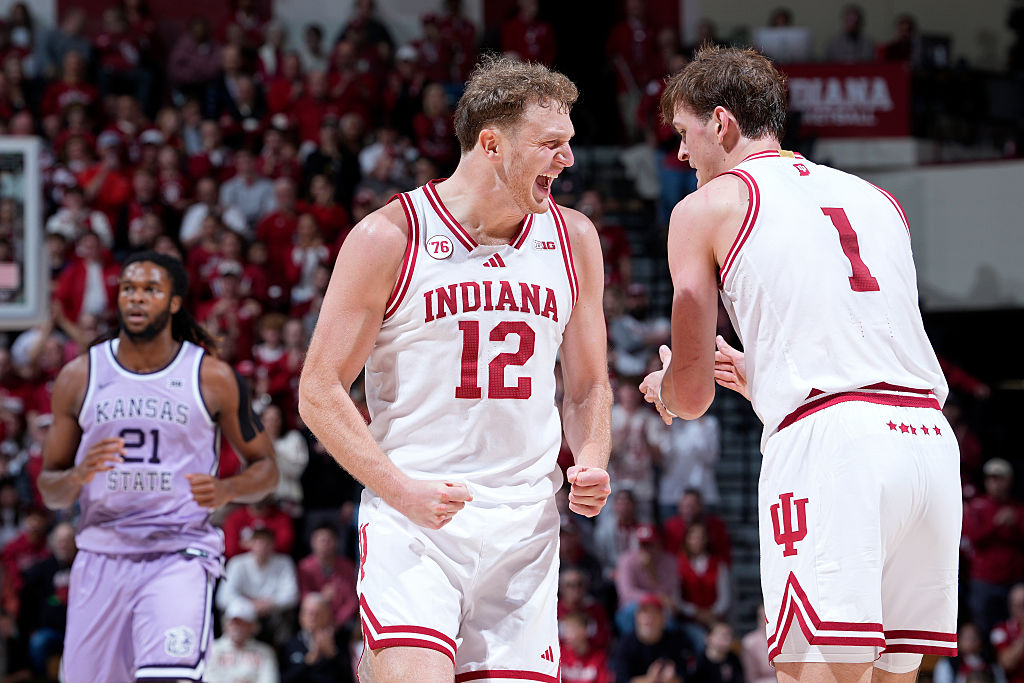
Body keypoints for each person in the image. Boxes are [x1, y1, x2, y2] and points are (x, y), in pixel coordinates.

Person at [641, 45, 960, 681]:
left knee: (810, 672)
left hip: (834, 448)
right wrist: (763, 377)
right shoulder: (877, 198)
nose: (680, 153)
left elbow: (693, 395)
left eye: (683, 132)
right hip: (928, 441)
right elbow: (861, 338)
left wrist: (669, 388)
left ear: (721, 123)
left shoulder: (704, 207)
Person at [298, 55, 612, 682]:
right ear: (492, 145)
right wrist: (398, 490)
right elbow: (319, 390)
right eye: (551, 144)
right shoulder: (390, 237)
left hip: (525, 527)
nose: (568, 159)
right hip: (418, 518)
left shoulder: (574, 238)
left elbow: (587, 387)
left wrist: (593, 456)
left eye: (569, 142)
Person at [37, 250, 278, 682]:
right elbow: (50, 488)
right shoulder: (80, 376)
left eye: (150, 289)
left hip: (178, 553)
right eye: (128, 288)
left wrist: (228, 489)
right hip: (101, 555)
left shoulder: (212, 377)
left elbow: (266, 470)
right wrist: (76, 476)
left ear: (174, 301)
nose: (136, 297)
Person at [206, 599, 280, 683]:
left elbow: (270, 680)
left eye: (243, 623)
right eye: (233, 623)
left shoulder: (265, 652)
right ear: (225, 624)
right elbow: (209, 679)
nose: (237, 628)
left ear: (253, 626)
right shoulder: (212, 649)